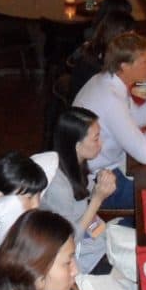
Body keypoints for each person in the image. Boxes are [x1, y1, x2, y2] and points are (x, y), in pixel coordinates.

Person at [73, 32, 146, 210]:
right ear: (124, 66)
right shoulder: (110, 97)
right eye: (144, 62)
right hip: (99, 183)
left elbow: (134, 119)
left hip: (112, 166)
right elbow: (144, 155)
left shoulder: (107, 81)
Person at [41, 108, 117, 275]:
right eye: (96, 139)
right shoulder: (58, 186)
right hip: (78, 260)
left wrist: (100, 182)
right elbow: (68, 240)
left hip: (93, 241)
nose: (101, 143)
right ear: (77, 145)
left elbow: (83, 191)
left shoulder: (73, 162)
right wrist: (97, 199)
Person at [0, 151, 59, 262]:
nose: (36, 204)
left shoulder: (17, 200)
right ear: (1, 198)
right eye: (29, 197)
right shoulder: (6, 211)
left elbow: (52, 157)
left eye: (39, 194)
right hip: (0, 260)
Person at [67, 10, 136, 101]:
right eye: (130, 37)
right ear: (117, 36)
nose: (134, 42)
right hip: (90, 109)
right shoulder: (95, 63)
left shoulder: (100, 50)